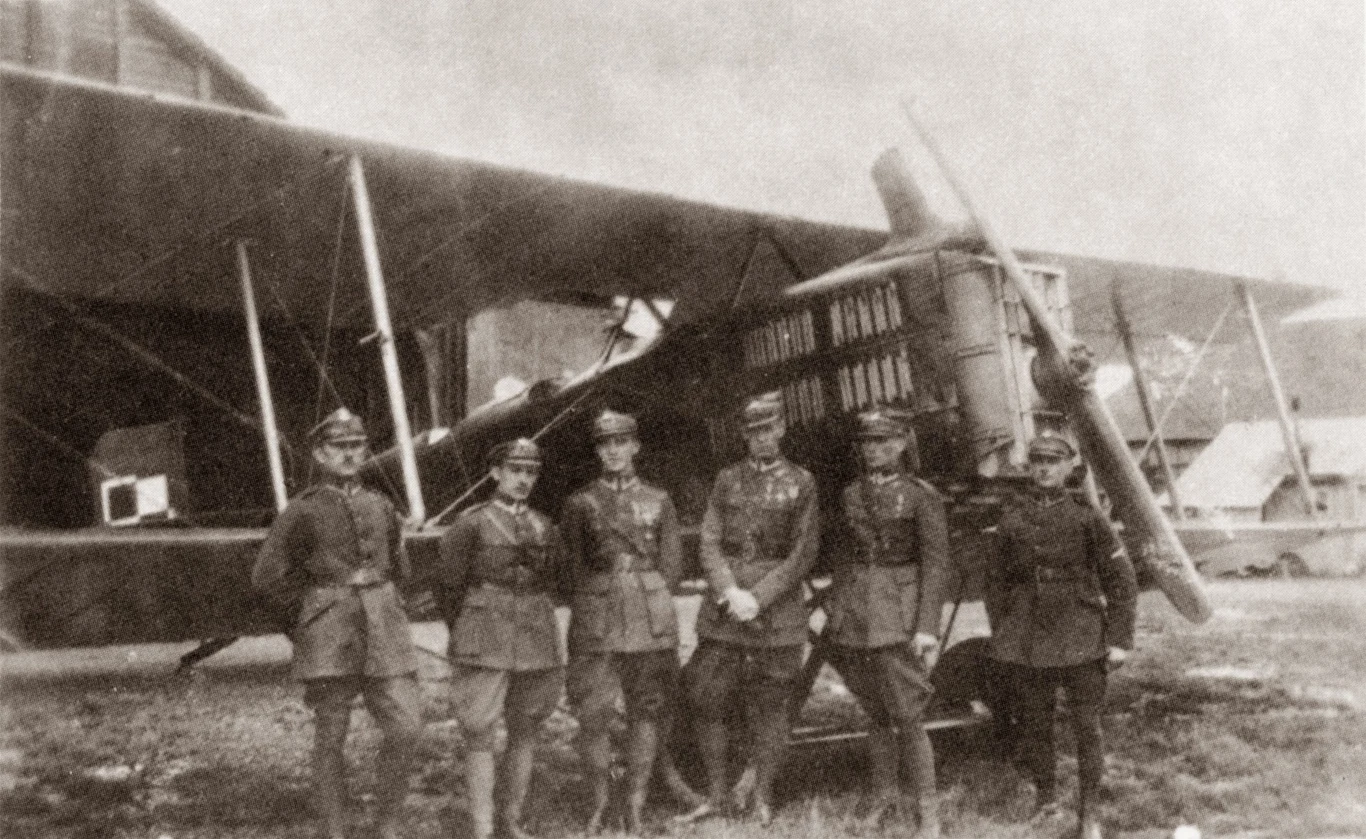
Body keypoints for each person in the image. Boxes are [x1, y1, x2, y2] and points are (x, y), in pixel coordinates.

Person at [252, 407, 421, 839]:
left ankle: (388, 825)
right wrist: (308, 620)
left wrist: (387, 601)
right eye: (339, 448)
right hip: (329, 636)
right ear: (320, 454)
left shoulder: (382, 505)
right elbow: (267, 579)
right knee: (331, 737)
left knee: (406, 728)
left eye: (356, 447)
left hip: (384, 631)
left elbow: (400, 568)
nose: (349, 456)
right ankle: (335, 829)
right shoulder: (303, 511)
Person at [986, 433, 1138, 839]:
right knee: (1035, 722)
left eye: (1053, 461)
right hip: (1027, 634)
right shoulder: (1013, 517)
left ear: (1070, 467)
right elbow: (995, 580)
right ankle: (1046, 799)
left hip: (1080, 632)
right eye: (1037, 460)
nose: (1044, 468)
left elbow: (1121, 580)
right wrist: (1003, 629)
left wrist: (1119, 639)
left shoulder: (1087, 517)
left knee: (1087, 725)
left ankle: (1089, 812)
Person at [678, 393, 819, 826]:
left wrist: (759, 597)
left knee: (773, 704)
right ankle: (718, 794)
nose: (762, 438)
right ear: (744, 436)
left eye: (769, 429)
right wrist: (730, 591)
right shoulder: (726, 480)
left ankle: (762, 796)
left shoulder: (802, 482)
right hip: (727, 608)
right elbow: (709, 539)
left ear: (781, 430)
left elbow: (804, 551)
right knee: (708, 697)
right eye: (753, 432)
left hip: (775, 610)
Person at [822, 408, 949, 838]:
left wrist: (926, 626)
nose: (874, 450)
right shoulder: (851, 494)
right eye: (868, 443)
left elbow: (935, 564)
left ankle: (928, 810)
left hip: (898, 612)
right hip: (858, 610)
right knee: (875, 711)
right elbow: (842, 556)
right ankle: (885, 799)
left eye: (883, 442)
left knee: (908, 713)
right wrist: (839, 606)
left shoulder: (920, 495)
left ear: (900, 445)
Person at [561, 409, 683, 834]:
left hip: (649, 621)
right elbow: (572, 571)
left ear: (635, 446)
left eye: (620, 443)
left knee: (646, 711)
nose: (613, 451)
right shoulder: (581, 503)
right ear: (598, 451)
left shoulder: (659, 499)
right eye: (604, 444)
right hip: (598, 620)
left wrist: (642, 594)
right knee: (593, 713)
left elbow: (671, 569)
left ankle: (634, 803)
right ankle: (599, 802)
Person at [434, 438, 563, 839]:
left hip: (534, 637)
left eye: (531, 472)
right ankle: (482, 827)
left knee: (525, 728)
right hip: (484, 635)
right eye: (515, 471)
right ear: (496, 474)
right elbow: (448, 587)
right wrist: (468, 629)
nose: (523, 480)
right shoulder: (472, 523)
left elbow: (553, 579)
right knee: (479, 731)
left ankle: (511, 820)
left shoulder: (544, 526)